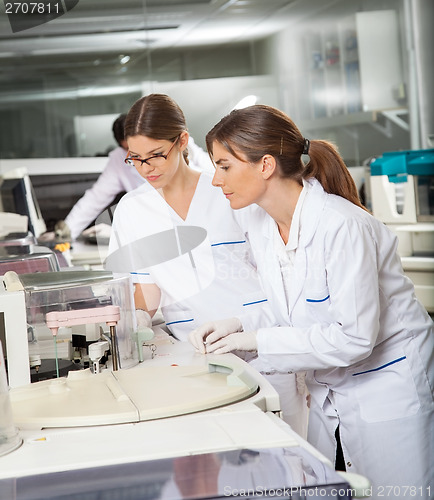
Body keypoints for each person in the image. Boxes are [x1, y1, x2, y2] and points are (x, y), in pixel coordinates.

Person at [189, 104, 434, 499]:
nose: (216, 180)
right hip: (330, 389)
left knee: (395, 492)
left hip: (386, 387)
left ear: (265, 164)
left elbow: (354, 338)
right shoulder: (260, 222)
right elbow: (293, 305)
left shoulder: (342, 227)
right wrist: (238, 324)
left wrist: (256, 341)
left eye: (224, 166)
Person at [106, 94, 309, 437]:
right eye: (135, 159)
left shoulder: (230, 190)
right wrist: (134, 319)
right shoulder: (132, 209)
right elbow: (146, 293)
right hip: (196, 355)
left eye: (156, 155)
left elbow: (283, 276)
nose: (146, 168)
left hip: (265, 343)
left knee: (287, 453)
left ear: (182, 141)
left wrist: (249, 328)